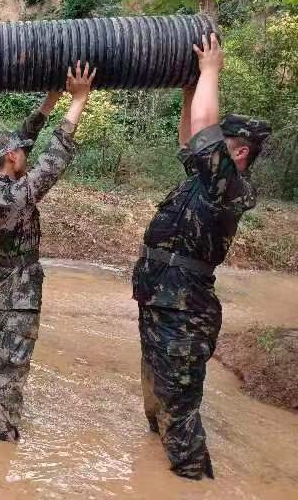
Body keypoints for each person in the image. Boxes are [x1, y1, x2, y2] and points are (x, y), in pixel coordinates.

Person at [133, 33, 272, 479]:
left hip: (184, 312)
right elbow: (192, 138)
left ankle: (192, 480)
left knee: (180, 411)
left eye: (219, 142)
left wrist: (210, 70)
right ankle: (156, 477)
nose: (204, 145)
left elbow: (206, 132)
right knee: (156, 401)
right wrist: (188, 85)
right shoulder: (201, 179)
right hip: (159, 299)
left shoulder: (229, 188)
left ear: (240, 151)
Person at [0, 62, 96, 442]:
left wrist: (53, 97)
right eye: (22, 153)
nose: (26, 154)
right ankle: (1, 433)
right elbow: (55, 158)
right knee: (13, 361)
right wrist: (78, 101)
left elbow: (25, 136)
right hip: (19, 285)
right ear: (13, 160)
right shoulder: (16, 194)